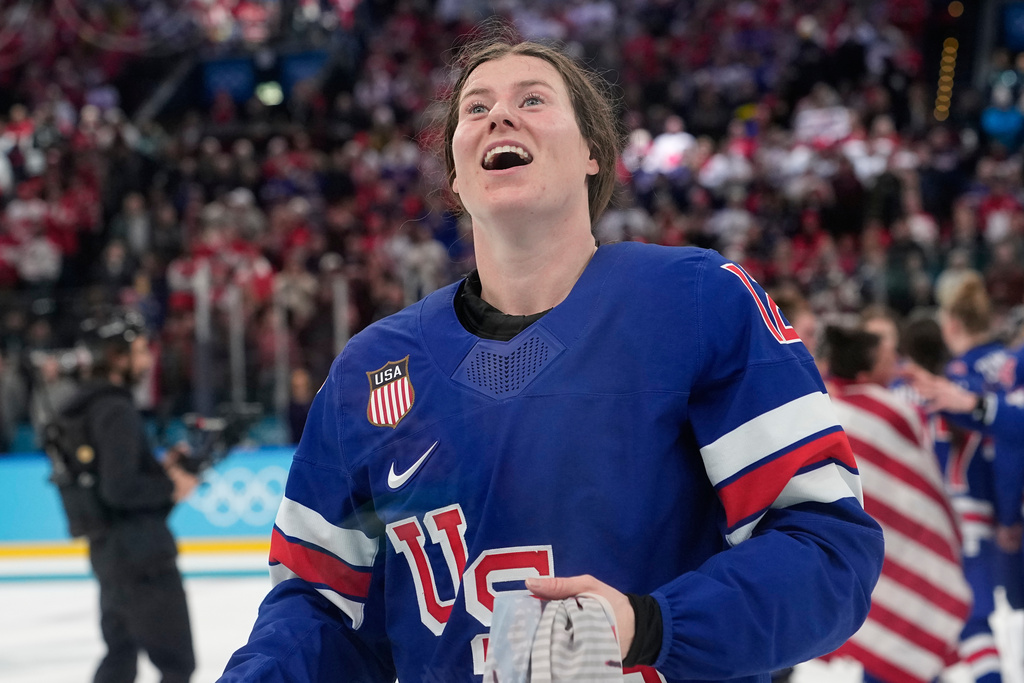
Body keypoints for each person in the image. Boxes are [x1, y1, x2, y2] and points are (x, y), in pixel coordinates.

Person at [219, 31, 883, 683]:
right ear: (454, 174)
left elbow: (826, 553)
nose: (499, 114)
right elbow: (321, 608)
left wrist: (646, 625)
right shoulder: (371, 370)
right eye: (475, 108)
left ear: (594, 153)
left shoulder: (699, 301)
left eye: (532, 100)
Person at [819, 325, 971, 683]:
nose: (898, 364)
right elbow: (925, 485)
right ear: (866, 373)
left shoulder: (824, 409)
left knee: (883, 629)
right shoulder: (891, 411)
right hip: (896, 540)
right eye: (890, 360)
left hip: (863, 544)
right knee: (908, 623)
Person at [59, 309, 198, 683]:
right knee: (176, 663)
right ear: (116, 357)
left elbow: (114, 476)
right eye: (139, 351)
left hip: (110, 553)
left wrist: (159, 470)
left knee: (119, 658)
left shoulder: (88, 406)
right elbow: (119, 489)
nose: (147, 359)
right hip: (142, 557)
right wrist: (171, 486)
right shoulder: (115, 409)